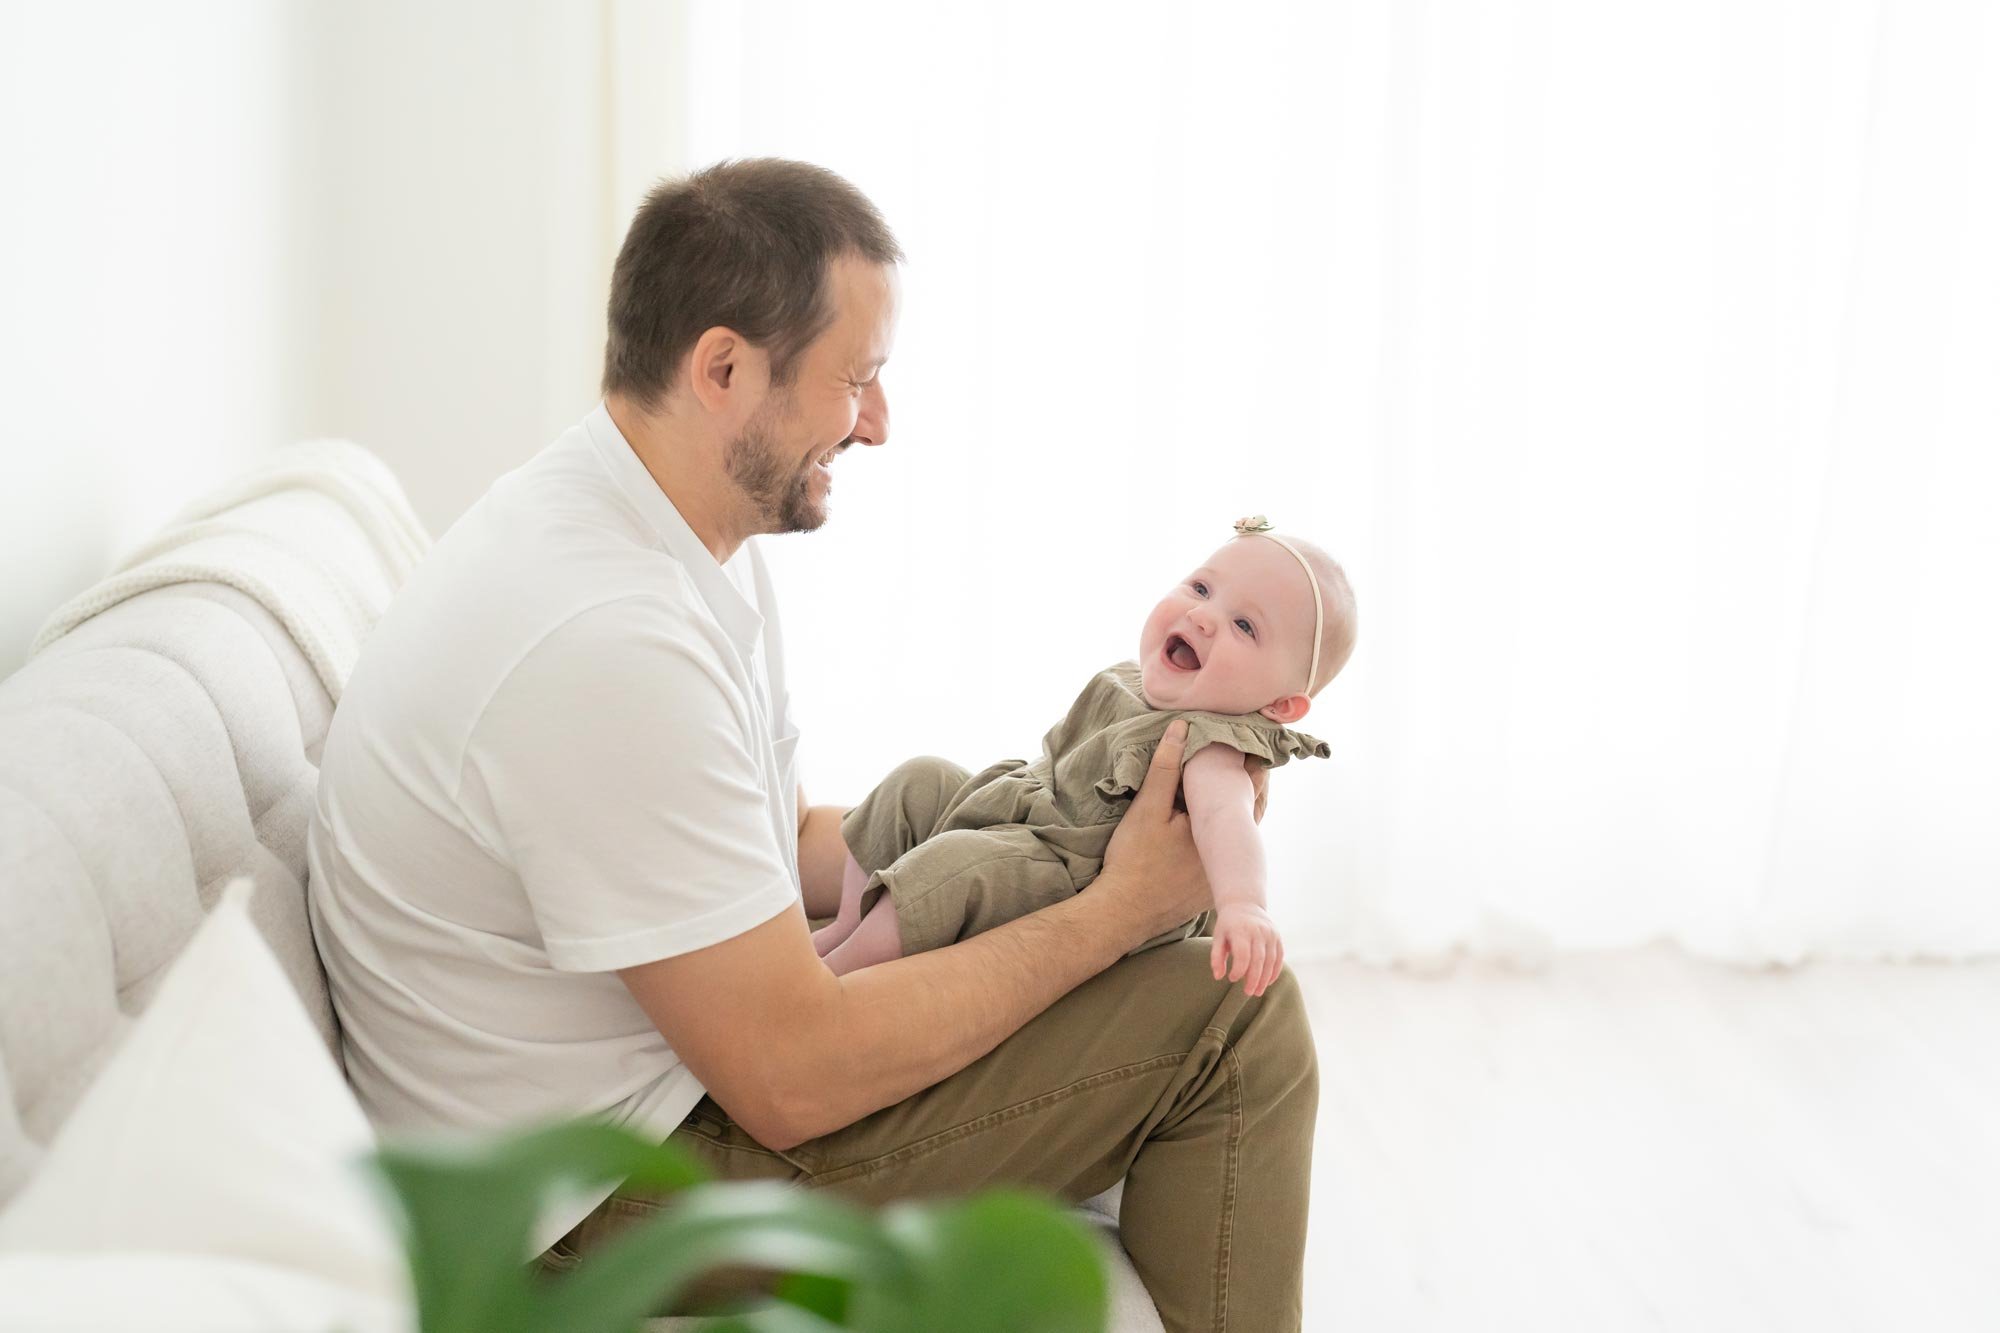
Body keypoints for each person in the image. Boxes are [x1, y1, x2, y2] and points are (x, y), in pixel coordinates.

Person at [305, 157, 1319, 1332]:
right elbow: (789, 1075)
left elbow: (778, 838)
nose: (878, 422)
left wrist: (1044, 836)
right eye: (857, 378)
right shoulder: (604, 639)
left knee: (1011, 861)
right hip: (587, 1206)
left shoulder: (656, 531)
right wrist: (1114, 911)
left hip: (624, 1110)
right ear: (724, 368)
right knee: (1230, 1018)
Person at [814, 519, 1357, 1001]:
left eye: (1245, 626)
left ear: (1280, 706)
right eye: (1201, 587)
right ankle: (845, 925)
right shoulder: (1138, 682)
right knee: (919, 778)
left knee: (951, 867)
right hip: (1028, 806)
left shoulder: (1211, 743)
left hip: (1069, 869)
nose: (1203, 616)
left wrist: (1245, 905)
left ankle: (841, 977)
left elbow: (1228, 819)